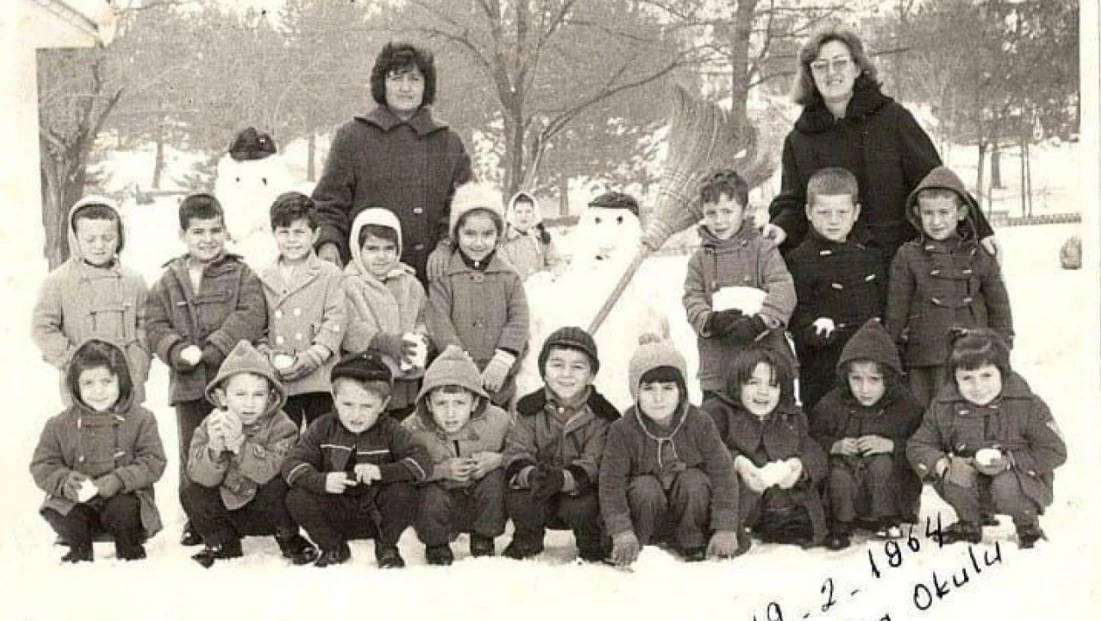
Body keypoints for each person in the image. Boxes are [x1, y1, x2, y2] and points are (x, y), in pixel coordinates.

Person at [764, 26, 998, 266]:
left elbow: (935, 180)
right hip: (833, 266)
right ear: (810, 75)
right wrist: (780, 226)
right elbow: (794, 202)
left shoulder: (893, 119)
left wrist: (979, 229)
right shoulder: (800, 138)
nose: (831, 72)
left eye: (840, 62)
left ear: (857, 68)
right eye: (820, 66)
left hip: (895, 262)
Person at [146, 193, 267, 546]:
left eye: (215, 230)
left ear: (226, 231)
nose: (208, 239)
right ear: (182, 234)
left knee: (236, 442)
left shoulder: (241, 274)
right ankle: (198, 518)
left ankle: (240, 512)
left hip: (230, 382)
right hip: (187, 384)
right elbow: (154, 323)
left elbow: (251, 313)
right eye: (198, 231)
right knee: (195, 451)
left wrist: (216, 348)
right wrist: (176, 350)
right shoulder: (169, 279)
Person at [311, 41, 473, 286]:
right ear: (382, 84)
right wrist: (328, 242)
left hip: (434, 278)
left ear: (426, 85)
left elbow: (466, 205)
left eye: (414, 79)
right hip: (367, 280)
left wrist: (446, 244)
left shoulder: (449, 141)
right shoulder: (352, 137)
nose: (405, 88)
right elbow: (327, 204)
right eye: (396, 78)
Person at [906, 329, 1066, 548]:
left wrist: (1011, 461)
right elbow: (919, 444)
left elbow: (1055, 450)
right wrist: (942, 464)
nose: (978, 387)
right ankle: (969, 523)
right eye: (967, 378)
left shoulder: (1027, 404)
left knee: (1005, 484)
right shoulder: (944, 407)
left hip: (1019, 480)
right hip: (972, 479)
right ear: (955, 379)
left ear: (1002, 372)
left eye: (987, 376)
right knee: (955, 474)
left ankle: (1028, 526)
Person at [599, 341, 744, 567]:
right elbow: (611, 484)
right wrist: (621, 532)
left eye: (668, 388)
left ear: (681, 391)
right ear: (636, 391)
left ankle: (692, 542)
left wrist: (725, 527)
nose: (659, 398)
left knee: (694, 481)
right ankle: (640, 545)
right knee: (644, 487)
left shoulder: (700, 422)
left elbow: (723, 474)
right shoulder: (623, 429)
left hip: (690, 512)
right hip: (645, 513)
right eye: (649, 389)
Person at [283, 351, 432, 568]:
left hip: (377, 515)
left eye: (367, 406)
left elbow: (421, 463)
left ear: (383, 404)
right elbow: (293, 464)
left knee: (404, 492)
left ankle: (386, 547)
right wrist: (322, 481)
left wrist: (382, 473)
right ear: (334, 398)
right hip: (335, 511)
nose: (356, 415)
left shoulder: (391, 430)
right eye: (348, 404)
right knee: (297, 497)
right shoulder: (323, 427)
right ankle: (333, 547)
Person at [885, 166, 1014, 407]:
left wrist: (1002, 346)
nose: (936, 221)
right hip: (925, 360)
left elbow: (999, 305)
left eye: (944, 212)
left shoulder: (980, 254)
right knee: (929, 413)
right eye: (928, 213)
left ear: (961, 212)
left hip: (974, 357)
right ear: (917, 213)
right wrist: (891, 351)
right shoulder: (907, 255)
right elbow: (897, 310)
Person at [181, 340, 318, 567]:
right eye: (240, 394)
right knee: (191, 491)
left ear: (270, 397)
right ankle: (222, 541)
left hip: (265, 509)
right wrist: (214, 449)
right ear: (223, 397)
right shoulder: (210, 424)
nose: (249, 404)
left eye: (258, 395)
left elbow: (268, 471)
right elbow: (199, 475)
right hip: (228, 507)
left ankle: (288, 537)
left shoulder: (282, 426)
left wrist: (239, 445)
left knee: (282, 487)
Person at [29, 340, 166, 562]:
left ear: (121, 380)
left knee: (124, 510)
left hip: (123, 497)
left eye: (107, 381)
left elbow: (153, 461)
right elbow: (43, 465)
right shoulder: (59, 424)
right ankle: (80, 549)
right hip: (79, 501)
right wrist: (65, 482)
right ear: (75, 386)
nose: (98, 391)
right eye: (88, 383)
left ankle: (129, 549)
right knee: (59, 511)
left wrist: (120, 479)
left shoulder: (141, 419)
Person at [501, 327, 618, 562]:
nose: (566, 374)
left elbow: (594, 461)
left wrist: (563, 479)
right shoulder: (529, 409)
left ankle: (590, 542)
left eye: (577, 367)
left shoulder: (602, 415)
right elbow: (517, 449)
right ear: (544, 371)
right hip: (539, 488)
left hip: (577, 492)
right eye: (557, 365)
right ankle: (527, 539)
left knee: (585, 505)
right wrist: (530, 475)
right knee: (519, 496)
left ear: (591, 375)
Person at [809, 319, 923, 550]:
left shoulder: (906, 406)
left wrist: (892, 446)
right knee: (839, 472)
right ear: (846, 377)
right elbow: (811, 439)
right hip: (845, 486)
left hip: (891, 491)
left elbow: (923, 445)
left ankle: (888, 519)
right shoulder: (831, 404)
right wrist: (834, 445)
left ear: (888, 379)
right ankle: (841, 522)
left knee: (882, 464)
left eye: (874, 380)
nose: (864, 389)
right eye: (856, 379)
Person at [683, 169, 796, 402]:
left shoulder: (762, 249)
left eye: (727, 211)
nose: (719, 220)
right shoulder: (699, 260)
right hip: (720, 364)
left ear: (744, 211)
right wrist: (710, 320)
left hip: (766, 357)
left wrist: (761, 320)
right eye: (711, 213)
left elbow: (782, 287)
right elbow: (692, 298)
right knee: (718, 419)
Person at [702, 347, 827, 548]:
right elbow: (704, 450)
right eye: (753, 383)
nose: (763, 392)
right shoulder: (718, 413)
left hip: (778, 506)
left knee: (797, 511)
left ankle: (786, 524)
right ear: (738, 384)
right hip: (736, 504)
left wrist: (800, 467)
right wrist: (737, 463)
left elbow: (814, 452)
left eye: (772, 385)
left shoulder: (791, 417)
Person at [32, 195, 151, 405]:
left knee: (129, 424)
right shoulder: (58, 281)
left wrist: (139, 359)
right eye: (90, 239)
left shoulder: (134, 280)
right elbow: (42, 327)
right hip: (82, 382)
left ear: (120, 237)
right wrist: (72, 360)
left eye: (108, 238)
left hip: (127, 377)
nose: (99, 246)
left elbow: (146, 323)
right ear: (74, 238)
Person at [787, 168, 887, 413]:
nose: (833, 220)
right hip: (823, 366)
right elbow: (795, 313)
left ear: (856, 212)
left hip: (869, 367)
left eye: (842, 212)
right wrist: (811, 331)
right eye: (824, 212)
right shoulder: (799, 260)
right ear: (809, 213)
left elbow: (885, 304)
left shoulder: (871, 256)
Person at [426, 182, 530, 407]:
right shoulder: (445, 277)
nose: (478, 243)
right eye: (470, 234)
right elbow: (439, 322)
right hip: (453, 381)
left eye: (487, 234)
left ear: (498, 235)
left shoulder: (509, 276)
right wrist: (461, 362)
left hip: (498, 381)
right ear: (456, 234)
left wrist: (503, 361)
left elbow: (519, 320)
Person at [404, 345, 510, 565]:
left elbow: (522, 452)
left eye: (459, 403)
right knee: (430, 493)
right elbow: (401, 470)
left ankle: (484, 537)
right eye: (441, 403)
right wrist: (441, 471)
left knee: (495, 479)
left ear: (475, 402)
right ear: (428, 404)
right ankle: (436, 544)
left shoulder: (498, 421)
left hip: (479, 503)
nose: (450, 413)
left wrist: (497, 460)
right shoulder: (412, 429)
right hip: (439, 508)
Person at [257, 192, 346, 429]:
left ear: (315, 235)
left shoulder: (329, 274)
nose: (291, 240)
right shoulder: (264, 276)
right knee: (284, 435)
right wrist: (267, 357)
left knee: (322, 434)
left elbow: (335, 320)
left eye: (299, 232)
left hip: (319, 376)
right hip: (280, 376)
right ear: (274, 233)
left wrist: (314, 355)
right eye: (284, 232)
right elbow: (259, 324)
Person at [341, 208, 428, 421]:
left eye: (389, 248)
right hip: (365, 380)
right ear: (357, 249)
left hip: (406, 381)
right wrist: (382, 341)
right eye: (372, 249)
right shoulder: (349, 285)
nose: (381, 256)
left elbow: (423, 317)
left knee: (404, 424)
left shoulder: (410, 283)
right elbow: (348, 326)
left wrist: (421, 339)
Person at [498, 191, 559, 281]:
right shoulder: (504, 241)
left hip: (542, 286)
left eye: (528, 211)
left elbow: (555, 263)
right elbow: (504, 270)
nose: (524, 216)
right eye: (519, 212)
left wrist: (546, 276)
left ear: (534, 213)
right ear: (512, 214)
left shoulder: (542, 238)